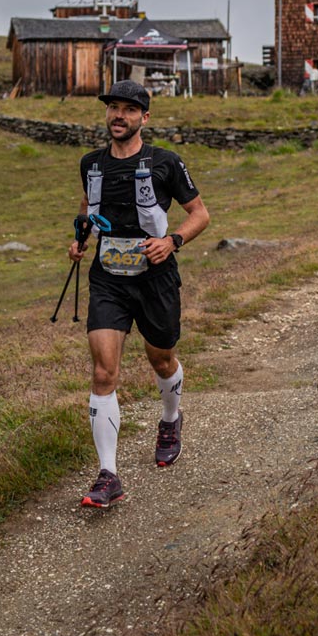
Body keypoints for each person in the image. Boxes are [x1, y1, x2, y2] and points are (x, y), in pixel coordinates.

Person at [69, 80, 212, 508]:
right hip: (108, 277)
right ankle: (108, 475)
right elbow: (86, 210)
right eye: (113, 108)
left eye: (129, 110)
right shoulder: (91, 164)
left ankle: (170, 419)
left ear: (144, 118)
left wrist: (173, 242)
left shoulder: (166, 162)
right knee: (102, 372)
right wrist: (79, 238)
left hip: (155, 278)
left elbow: (200, 215)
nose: (119, 115)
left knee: (162, 358)